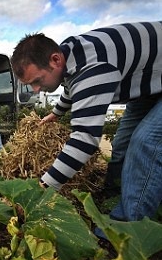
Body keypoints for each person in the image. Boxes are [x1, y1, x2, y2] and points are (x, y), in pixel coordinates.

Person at [10, 21, 161, 226]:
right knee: (122, 143)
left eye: (37, 80)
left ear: (55, 60)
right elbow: (71, 87)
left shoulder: (92, 67)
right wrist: (56, 113)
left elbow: (85, 140)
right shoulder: (67, 55)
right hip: (149, 87)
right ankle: (112, 196)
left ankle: (128, 226)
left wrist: (43, 187)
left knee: (145, 143)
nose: (36, 89)